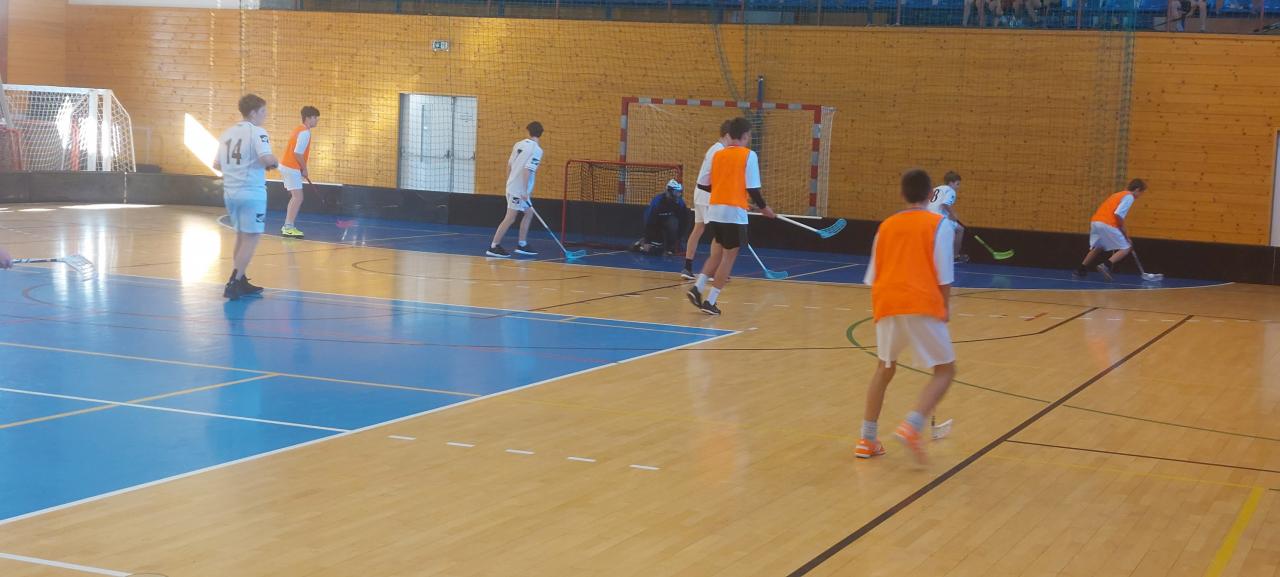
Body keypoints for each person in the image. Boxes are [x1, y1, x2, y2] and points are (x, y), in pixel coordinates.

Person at [857, 168, 957, 464]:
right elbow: (944, 275)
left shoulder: (886, 226)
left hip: (887, 303)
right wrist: (944, 307)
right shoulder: (940, 225)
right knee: (945, 371)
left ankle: (867, 439)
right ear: (930, 195)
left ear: (902, 194)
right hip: (922, 302)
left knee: (884, 369)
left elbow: (872, 276)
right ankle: (912, 426)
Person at [685, 117, 776, 316]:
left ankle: (697, 288)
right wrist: (764, 208)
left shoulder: (719, 154)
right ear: (744, 136)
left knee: (717, 253)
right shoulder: (749, 155)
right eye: (749, 136)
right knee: (728, 257)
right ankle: (710, 301)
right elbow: (753, 188)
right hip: (733, 214)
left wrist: (735, 196)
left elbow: (704, 184)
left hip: (715, 210)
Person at [213, 94, 278, 301]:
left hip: (230, 192)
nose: (265, 115)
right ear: (252, 113)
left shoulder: (227, 133)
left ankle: (240, 280)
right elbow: (266, 158)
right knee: (252, 237)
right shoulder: (258, 132)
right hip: (251, 193)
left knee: (241, 236)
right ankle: (233, 282)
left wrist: (238, 169)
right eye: (263, 111)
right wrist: (275, 161)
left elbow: (217, 164)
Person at [682, 120, 733, 279]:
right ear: (727, 135)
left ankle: (687, 268)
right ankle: (712, 271)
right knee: (718, 232)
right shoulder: (720, 151)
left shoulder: (714, 148)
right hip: (707, 194)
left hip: (700, 192)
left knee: (698, 228)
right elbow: (718, 177)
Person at [488, 121, 544, 258]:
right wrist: (523, 190)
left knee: (529, 213)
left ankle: (522, 244)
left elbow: (509, 165)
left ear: (528, 131)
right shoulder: (537, 150)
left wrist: (509, 182)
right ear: (541, 134)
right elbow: (527, 170)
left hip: (514, 186)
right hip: (519, 190)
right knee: (510, 218)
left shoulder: (518, 144)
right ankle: (494, 246)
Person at [1075, 179, 1147, 281]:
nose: (1140, 195)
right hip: (1107, 223)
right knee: (1126, 247)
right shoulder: (1129, 197)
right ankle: (1106, 265)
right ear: (1137, 189)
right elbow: (1118, 214)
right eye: (1141, 192)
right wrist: (1124, 233)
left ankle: (1081, 269)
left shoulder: (1117, 194)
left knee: (1099, 246)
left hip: (1096, 222)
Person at [278, 106, 320, 238]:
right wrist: (304, 168)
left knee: (295, 197)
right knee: (298, 197)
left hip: (287, 166)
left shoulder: (298, 129)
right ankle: (288, 227)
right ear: (308, 118)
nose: (317, 120)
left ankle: (287, 226)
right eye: (315, 118)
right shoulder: (305, 133)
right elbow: (297, 153)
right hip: (291, 167)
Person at [634, 180, 688, 255]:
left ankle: (669, 247)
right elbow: (649, 222)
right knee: (655, 250)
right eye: (676, 192)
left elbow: (684, 221)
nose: (678, 195)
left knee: (673, 223)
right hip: (654, 223)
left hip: (667, 221)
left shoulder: (680, 203)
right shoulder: (657, 202)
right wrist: (647, 241)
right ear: (669, 191)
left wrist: (678, 239)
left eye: (680, 192)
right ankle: (641, 244)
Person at [926, 171, 968, 263]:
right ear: (951, 183)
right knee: (960, 229)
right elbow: (945, 204)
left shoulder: (936, 188)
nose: (958, 187)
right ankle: (954, 256)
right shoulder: (950, 191)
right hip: (937, 219)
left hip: (927, 217)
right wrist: (953, 215)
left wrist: (948, 215)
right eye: (957, 184)